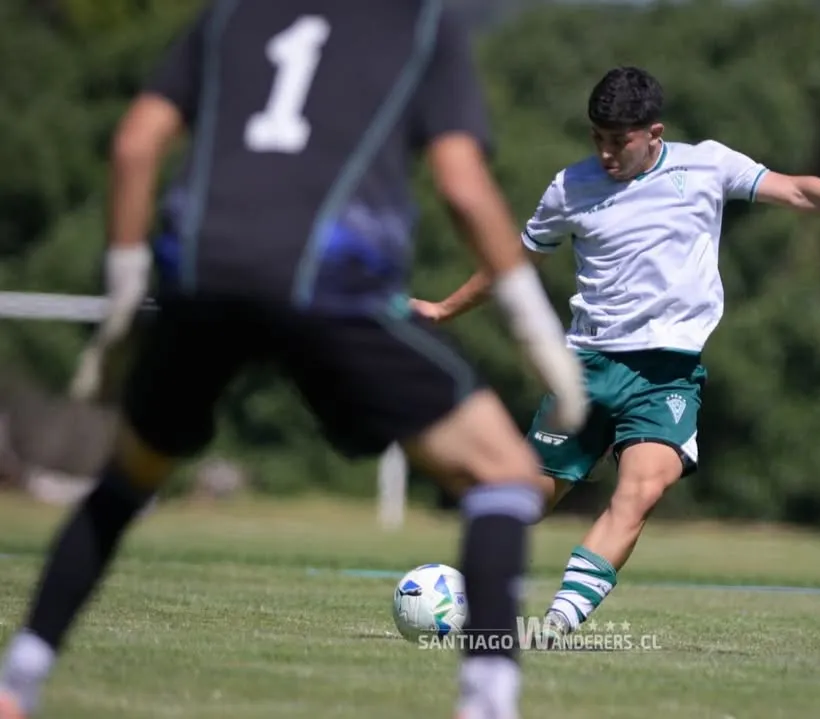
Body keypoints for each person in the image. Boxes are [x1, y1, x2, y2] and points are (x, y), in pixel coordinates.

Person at [0, 2, 587, 718]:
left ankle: (17, 682)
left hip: (200, 281)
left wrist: (126, 288)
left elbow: (135, 143)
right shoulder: (420, 26)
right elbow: (462, 184)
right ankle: (487, 704)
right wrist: (534, 329)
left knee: (129, 477)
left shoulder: (228, 18)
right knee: (503, 474)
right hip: (330, 285)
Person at [411, 66, 820, 641]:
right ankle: (456, 589)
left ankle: (557, 624)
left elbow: (795, 189)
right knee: (526, 497)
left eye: (620, 141)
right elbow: (512, 264)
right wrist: (442, 309)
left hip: (666, 375)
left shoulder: (706, 164)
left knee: (640, 491)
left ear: (654, 133)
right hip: (584, 371)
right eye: (598, 139)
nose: (607, 153)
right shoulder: (570, 187)